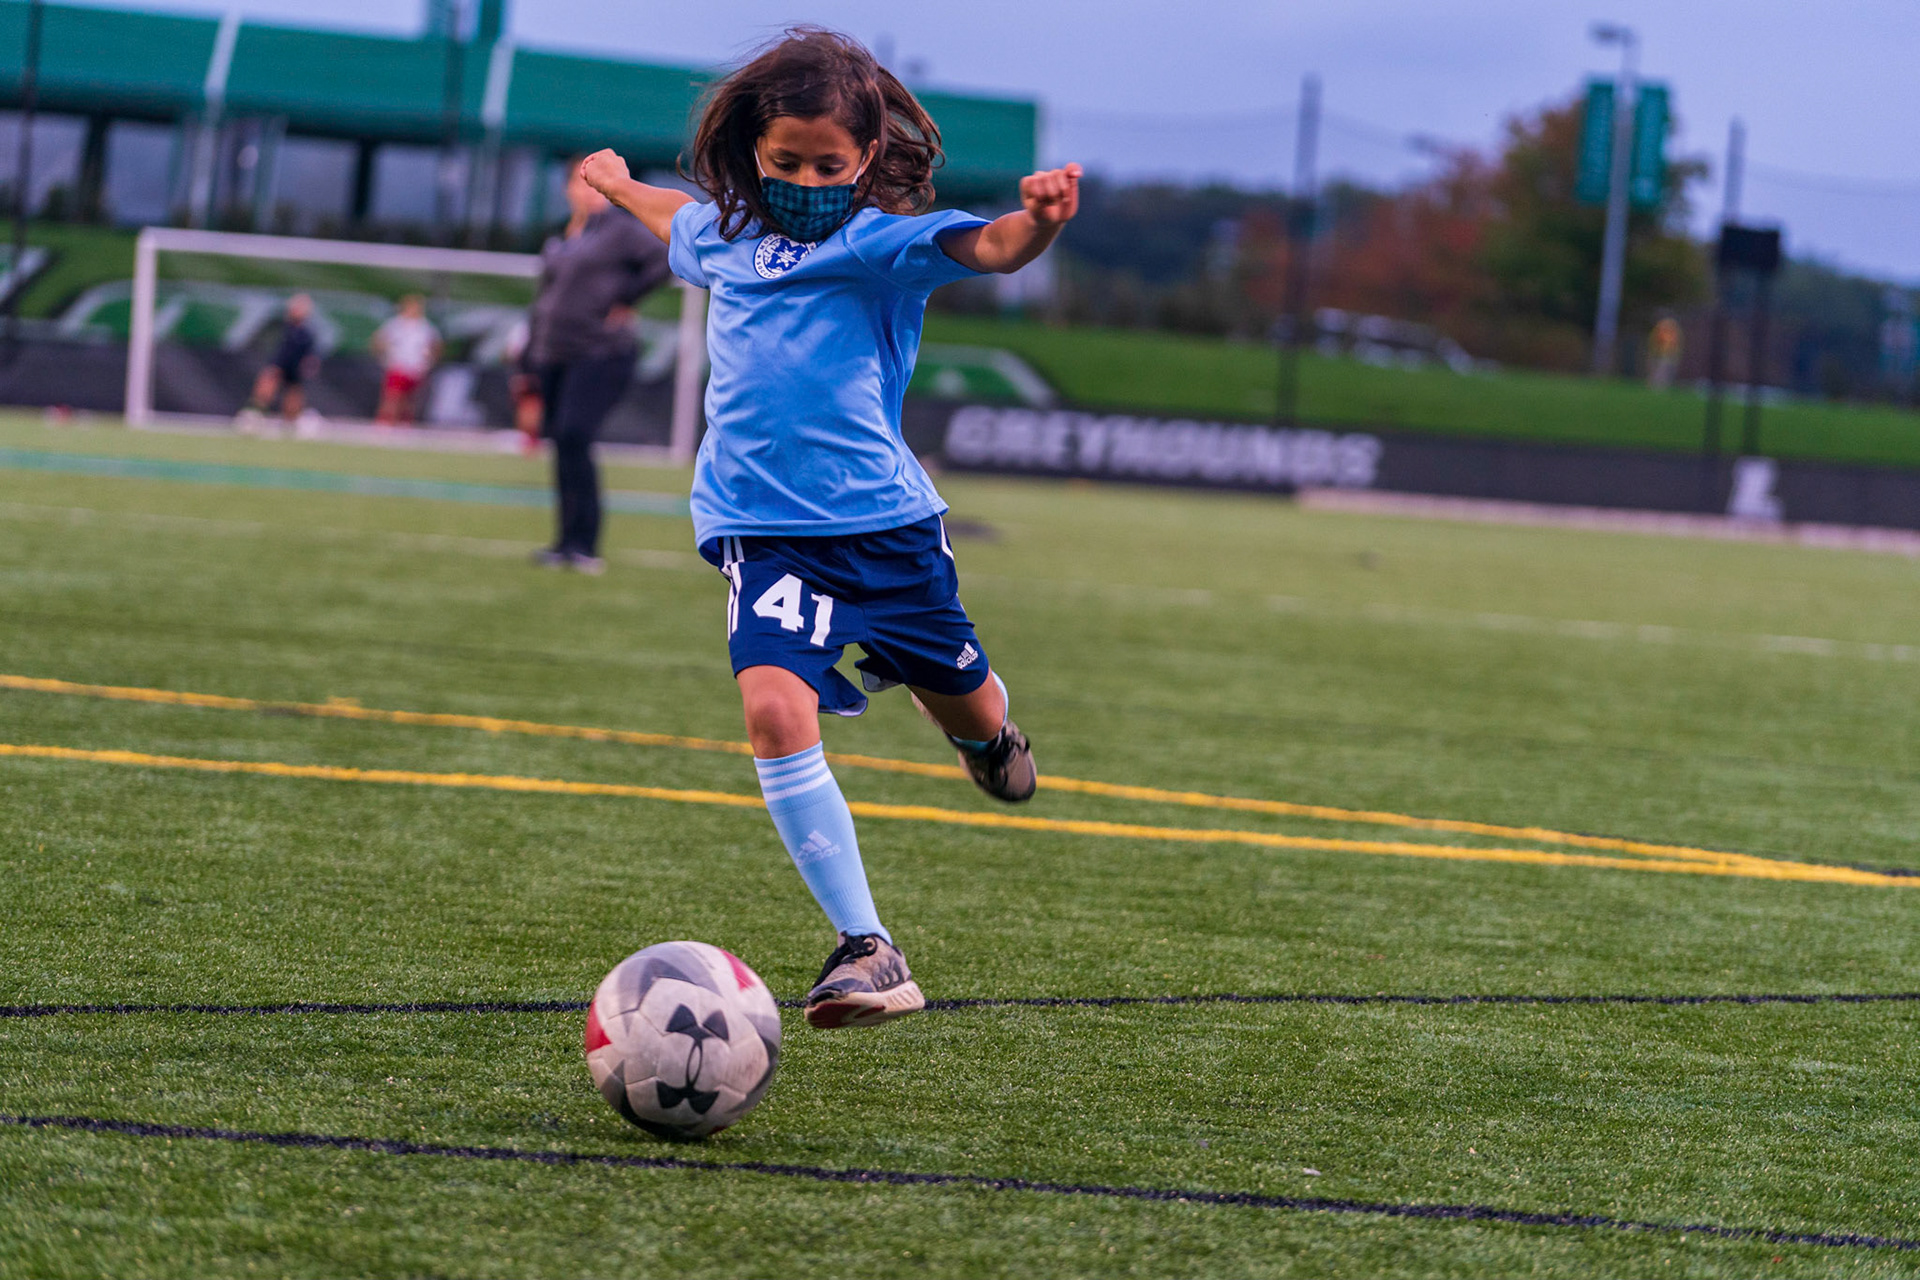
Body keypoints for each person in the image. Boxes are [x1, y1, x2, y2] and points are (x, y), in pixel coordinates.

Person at [580, 26, 1080, 1030]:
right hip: (761, 531)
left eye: (828, 164)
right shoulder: (725, 234)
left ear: (864, 160)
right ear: (753, 152)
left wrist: (1039, 225)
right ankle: (869, 945)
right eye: (787, 163)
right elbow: (674, 218)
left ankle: (988, 740)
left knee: (968, 701)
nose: (806, 179)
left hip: (887, 532)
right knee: (773, 708)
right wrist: (616, 182)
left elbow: (983, 246)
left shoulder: (877, 245)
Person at [526, 157, 672, 573]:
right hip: (555, 353)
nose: (588, 191)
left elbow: (663, 259)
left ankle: (585, 544)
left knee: (574, 435)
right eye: (580, 183)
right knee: (561, 443)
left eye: (595, 185)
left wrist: (625, 299)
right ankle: (565, 541)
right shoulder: (562, 239)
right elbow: (544, 299)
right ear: (568, 189)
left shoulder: (621, 231)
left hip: (599, 353)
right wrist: (529, 355)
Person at [238, 293, 320, 431]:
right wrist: (275, 365)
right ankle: (254, 414)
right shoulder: (282, 326)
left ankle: (291, 422)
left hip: (294, 367)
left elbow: (311, 356)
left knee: (293, 394)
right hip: (278, 364)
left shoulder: (307, 333)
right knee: (266, 385)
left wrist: (309, 364)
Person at [371, 294, 442, 425]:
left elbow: (435, 345)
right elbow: (379, 340)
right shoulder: (395, 324)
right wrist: (384, 355)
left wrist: (429, 361)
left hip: (416, 368)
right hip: (398, 365)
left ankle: (404, 424)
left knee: (409, 399)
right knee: (393, 396)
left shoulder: (425, 327)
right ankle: (385, 423)